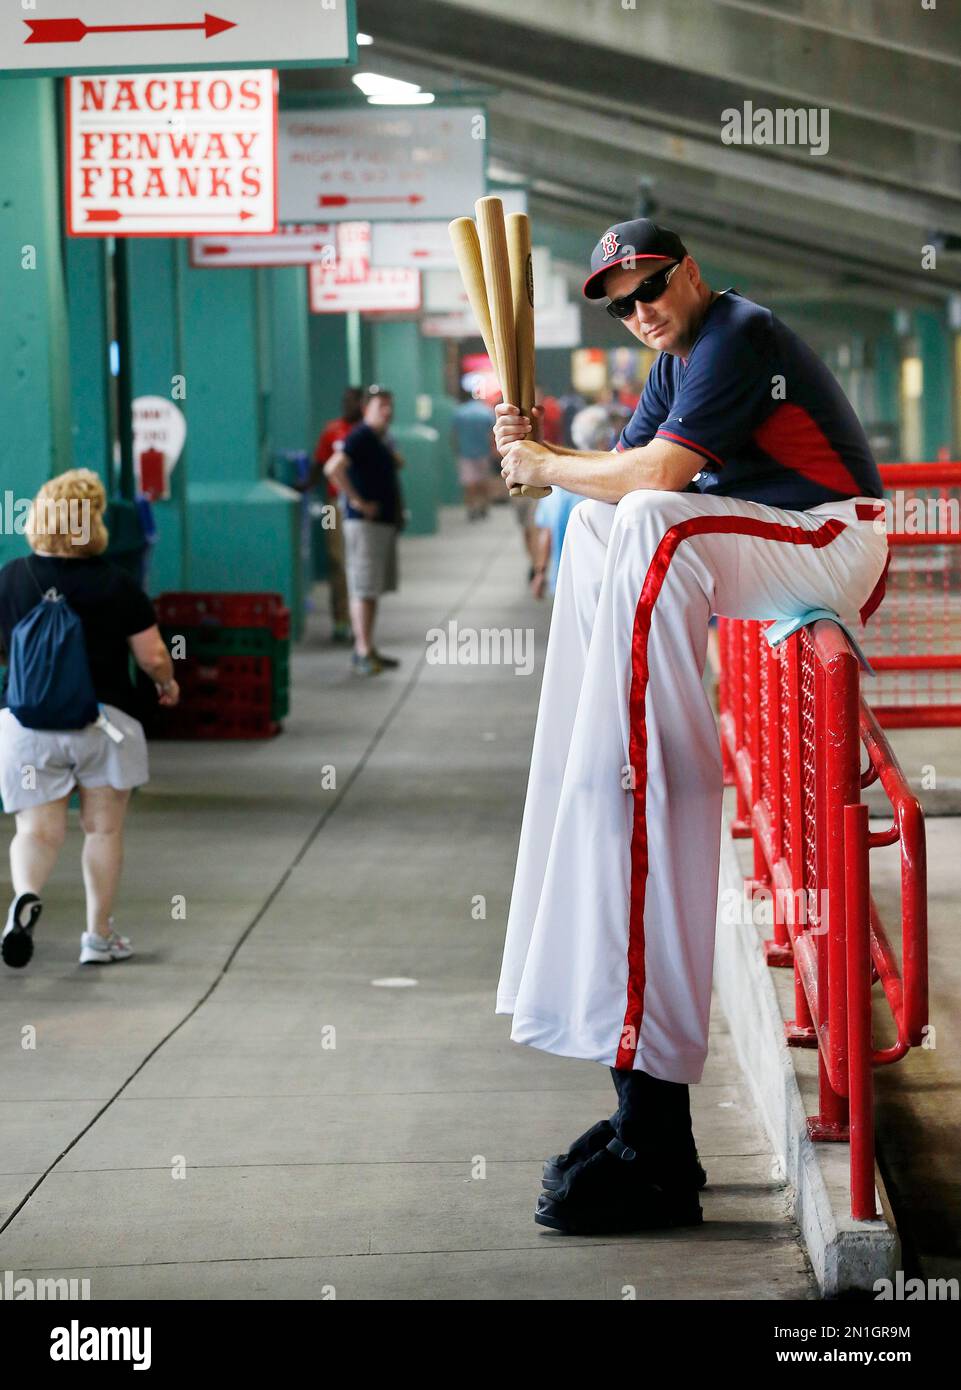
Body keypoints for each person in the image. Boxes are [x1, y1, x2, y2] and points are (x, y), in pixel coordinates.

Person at [492, 218, 890, 1235]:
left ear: (689, 271)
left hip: (835, 538)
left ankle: (637, 744)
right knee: (602, 514)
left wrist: (544, 460)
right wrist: (547, 456)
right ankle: (607, 721)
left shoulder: (732, 333)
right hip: (785, 541)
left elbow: (660, 482)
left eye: (651, 286)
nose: (641, 310)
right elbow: (610, 475)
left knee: (654, 519)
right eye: (621, 302)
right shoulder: (672, 364)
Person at [0, 470, 179, 969]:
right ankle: (98, 938)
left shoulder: (11, 578)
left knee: (36, 832)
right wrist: (167, 684)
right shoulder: (117, 584)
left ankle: (25, 897)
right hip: (102, 724)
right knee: (101, 830)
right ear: (92, 524)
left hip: (27, 726)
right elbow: (154, 657)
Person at [324, 385, 404, 677]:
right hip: (364, 524)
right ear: (366, 408)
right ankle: (362, 650)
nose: (388, 410)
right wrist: (357, 501)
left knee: (371, 589)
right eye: (381, 405)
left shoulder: (380, 439)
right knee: (364, 587)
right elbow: (333, 468)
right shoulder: (360, 436)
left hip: (379, 524)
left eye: (390, 404)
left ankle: (368, 647)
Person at [299, 386, 365, 645]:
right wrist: (303, 486)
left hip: (363, 504)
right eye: (345, 401)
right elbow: (319, 465)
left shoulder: (368, 432)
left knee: (361, 565)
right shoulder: (331, 431)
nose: (347, 406)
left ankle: (360, 621)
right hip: (334, 503)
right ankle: (340, 620)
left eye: (353, 402)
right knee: (337, 561)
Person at [451, 387, 496, 521]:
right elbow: (492, 434)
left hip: (466, 452)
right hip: (483, 452)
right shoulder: (486, 412)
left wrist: (456, 449)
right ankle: (484, 506)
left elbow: (454, 434)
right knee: (483, 481)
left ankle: (471, 507)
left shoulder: (460, 413)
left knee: (469, 483)